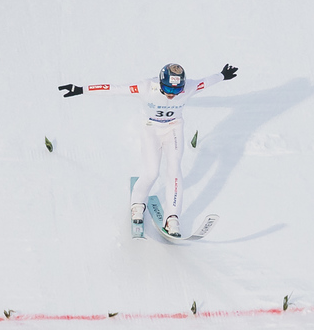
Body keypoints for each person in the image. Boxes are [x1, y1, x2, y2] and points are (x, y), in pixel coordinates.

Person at [58, 62, 238, 236]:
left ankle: (172, 218)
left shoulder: (189, 87)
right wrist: (81, 89)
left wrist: (222, 75)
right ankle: (137, 204)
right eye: (167, 89)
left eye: (176, 90)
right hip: (151, 129)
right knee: (152, 172)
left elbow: (205, 82)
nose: (172, 94)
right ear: (160, 82)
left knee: (174, 170)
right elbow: (113, 89)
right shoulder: (145, 87)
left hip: (174, 129)